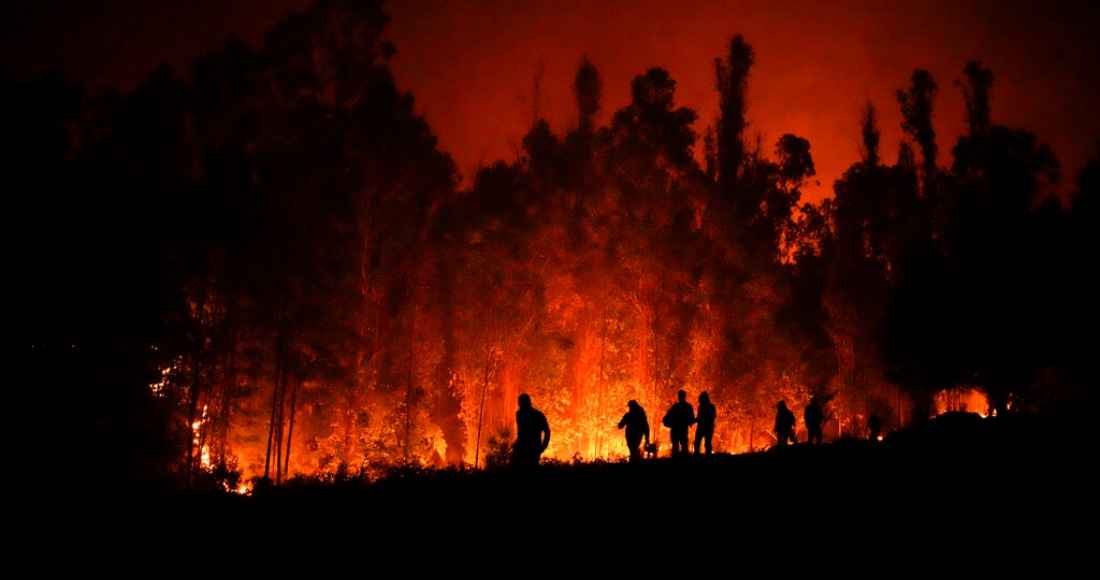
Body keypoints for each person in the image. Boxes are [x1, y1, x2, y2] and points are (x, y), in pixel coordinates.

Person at [512, 393, 550, 467]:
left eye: (520, 404)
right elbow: (547, 432)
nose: (519, 407)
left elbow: (547, 432)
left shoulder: (522, 415)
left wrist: (542, 447)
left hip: (530, 449)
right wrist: (542, 447)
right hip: (528, 448)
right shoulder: (537, 415)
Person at [662, 389, 695, 456]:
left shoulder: (675, 407)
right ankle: (683, 462)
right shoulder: (687, 407)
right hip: (682, 429)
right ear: (685, 396)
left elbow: (665, 419)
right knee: (683, 446)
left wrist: (670, 424)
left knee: (676, 447)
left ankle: (676, 462)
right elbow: (692, 418)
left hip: (676, 429)